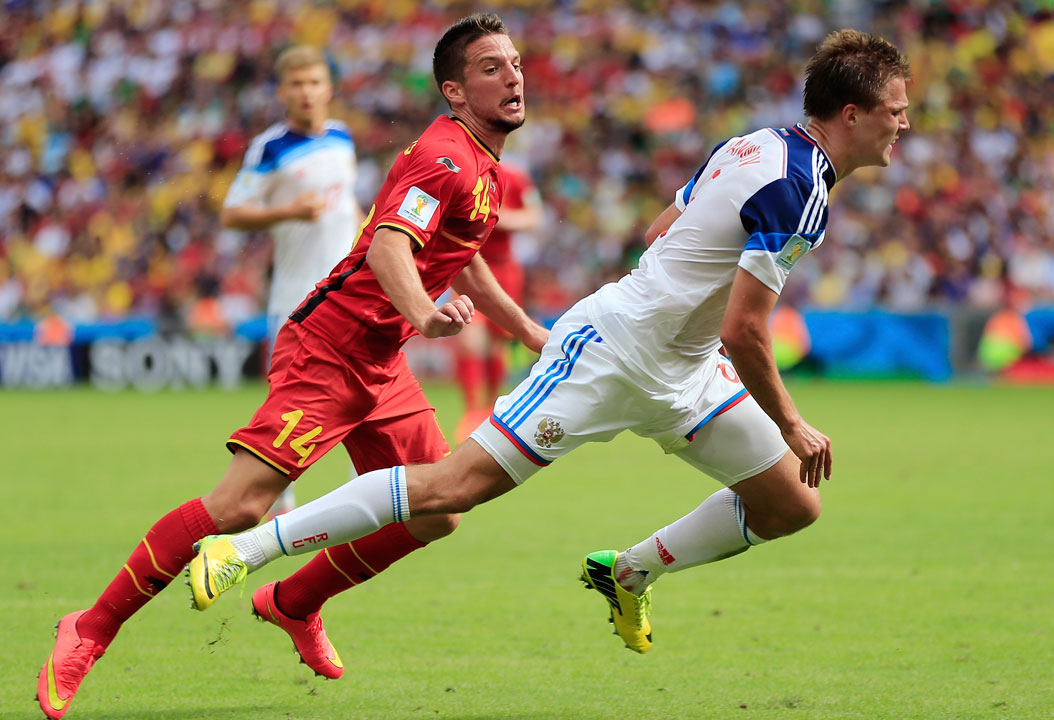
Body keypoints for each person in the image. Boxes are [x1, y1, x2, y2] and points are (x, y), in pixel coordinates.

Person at [191, 28, 911, 657]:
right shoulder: (801, 189)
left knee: (789, 504)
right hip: (614, 351)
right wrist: (791, 420)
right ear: (852, 114)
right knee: (453, 487)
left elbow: (664, 228)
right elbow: (747, 327)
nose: (904, 125)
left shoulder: (756, 144)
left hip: (685, 368)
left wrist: (687, 324)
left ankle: (627, 572)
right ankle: (245, 549)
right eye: (896, 111)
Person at [37, 13, 546, 719]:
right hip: (330, 348)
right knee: (239, 505)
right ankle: (89, 627)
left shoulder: (481, 164)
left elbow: (458, 256)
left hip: (379, 358)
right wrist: (426, 317)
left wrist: (525, 329)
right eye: (492, 67)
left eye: (515, 62)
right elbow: (388, 250)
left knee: (440, 507)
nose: (514, 75)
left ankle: (293, 599)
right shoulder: (445, 156)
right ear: (455, 93)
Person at [221, 45, 361, 519]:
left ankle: (364, 499)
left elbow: (348, 210)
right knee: (288, 406)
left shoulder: (343, 138)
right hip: (296, 300)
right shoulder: (270, 147)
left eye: (315, 82)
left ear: (329, 88)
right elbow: (233, 212)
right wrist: (290, 211)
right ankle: (277, 506)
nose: (306, 92)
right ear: (282, 91)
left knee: (366, 393)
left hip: (351, 296)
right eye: (297, 84)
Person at [453, 161, 543, 443]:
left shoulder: (517, 176)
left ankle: (490, 408)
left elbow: (533, 217)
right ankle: (471, 411)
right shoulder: (464, 170)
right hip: (467, 265)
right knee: (469, 335)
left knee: (496, 343)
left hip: (504, 270)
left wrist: (496, 217)